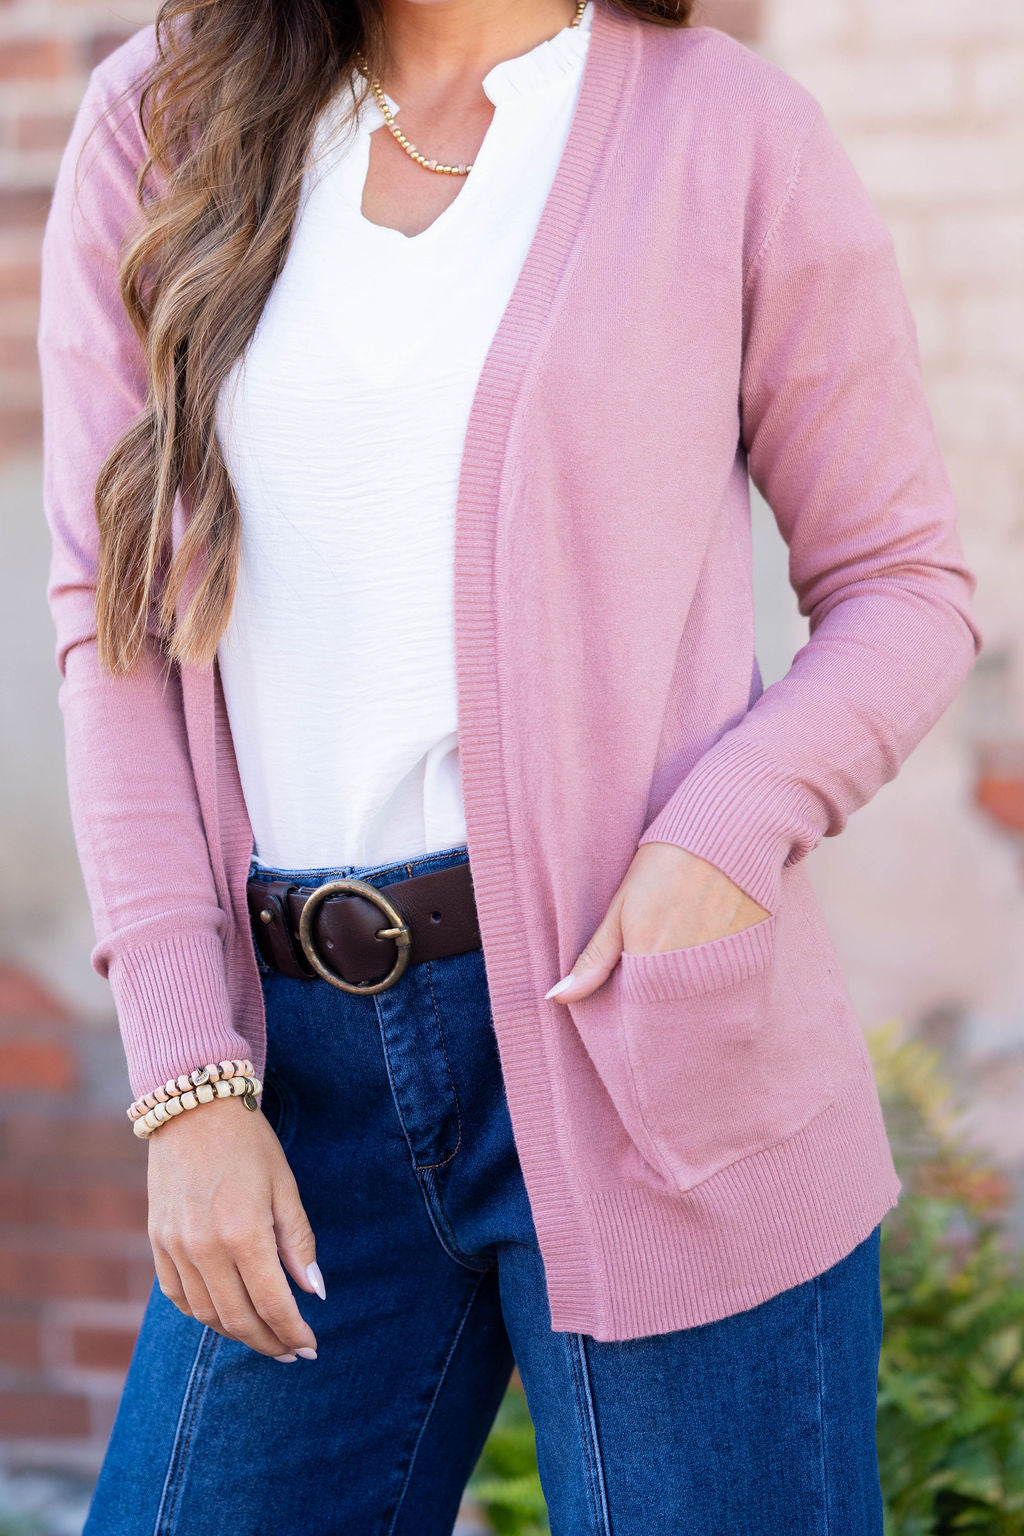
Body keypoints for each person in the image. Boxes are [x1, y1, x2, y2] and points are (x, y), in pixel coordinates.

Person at [37, 0, 982, 1528]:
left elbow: (905, 586)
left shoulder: (729, 135)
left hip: (638, 1030)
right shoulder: (165, 121)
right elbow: (113, 627)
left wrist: (718, 839)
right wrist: (185, 1082)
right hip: (289, 1074)